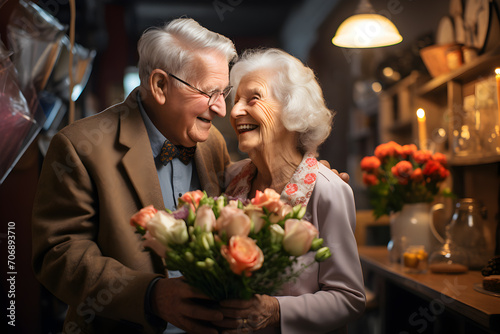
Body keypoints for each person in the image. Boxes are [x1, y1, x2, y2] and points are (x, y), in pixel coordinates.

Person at [32, 18, 235, 334]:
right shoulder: (79, 147)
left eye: (224, 92)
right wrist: (150, 296)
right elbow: (57, 255)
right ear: (160, 86)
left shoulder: (213, 143)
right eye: (210, 92)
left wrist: (311, 177)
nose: (221, 109)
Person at [213, 48, 366, 334]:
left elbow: (350, 298)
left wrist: (276, 310)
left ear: (292, 108)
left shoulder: (327, 190)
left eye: (253, 98)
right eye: (235, 101)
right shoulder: (232, 180)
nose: (234, 112)